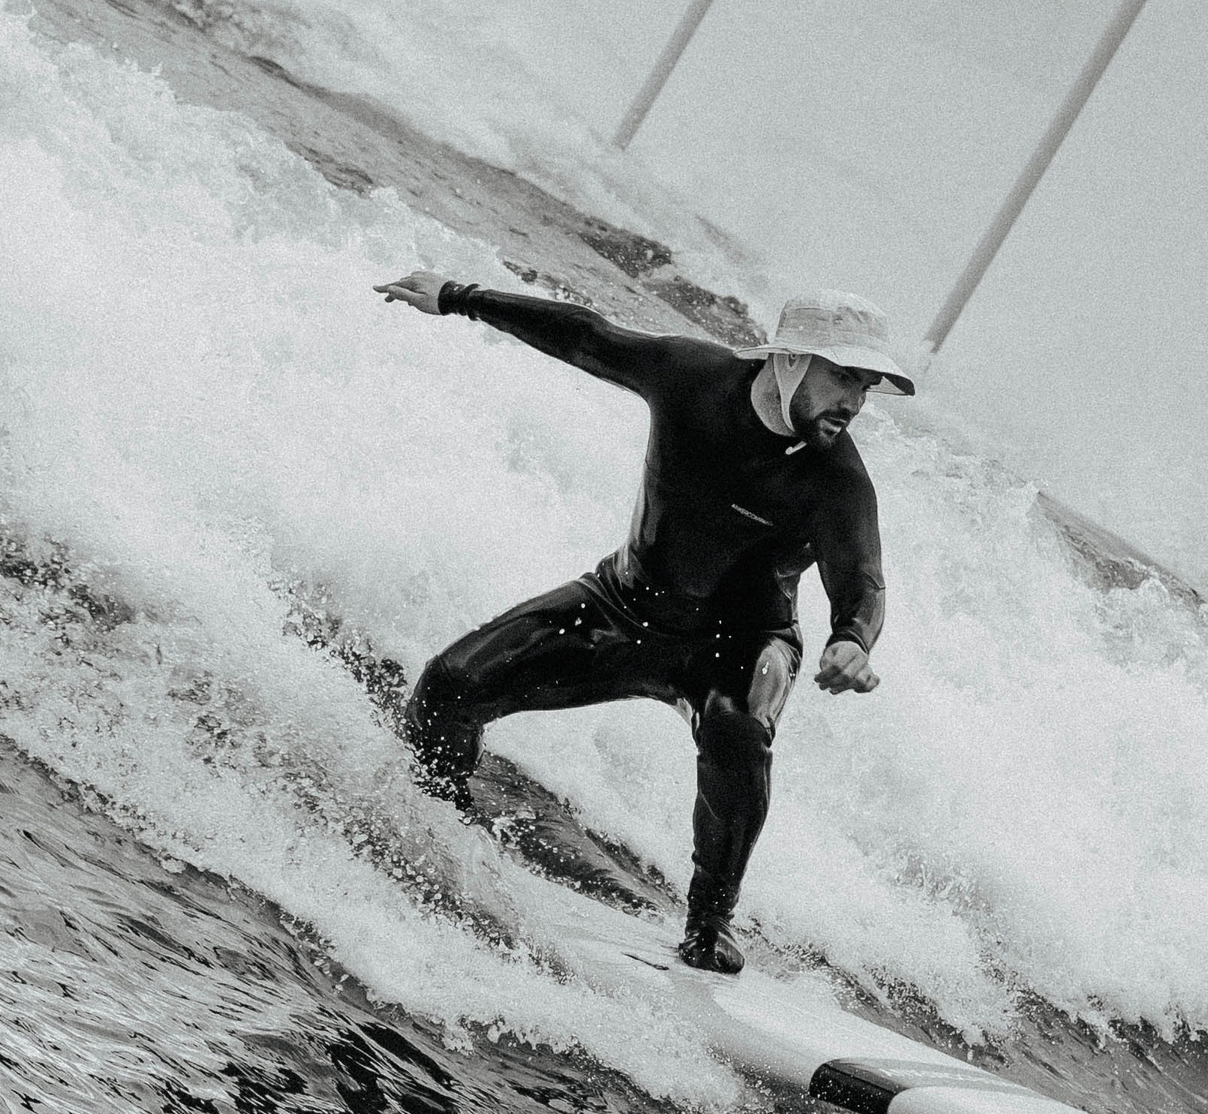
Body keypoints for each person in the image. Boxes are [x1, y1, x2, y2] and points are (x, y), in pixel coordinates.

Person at [374, 271, 912, 974]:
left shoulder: (838, 481)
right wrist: (459, 296)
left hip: (743, 646)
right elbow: (586, 335)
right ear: (786, 359)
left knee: (738, 727)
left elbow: (862, 579)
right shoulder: (692, 377)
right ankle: (433, 817)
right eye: (844, 376)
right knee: (450, 684)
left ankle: (710, 923)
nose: (855, 401)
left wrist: (852, 639)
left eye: (868, 386)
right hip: (621, 608)